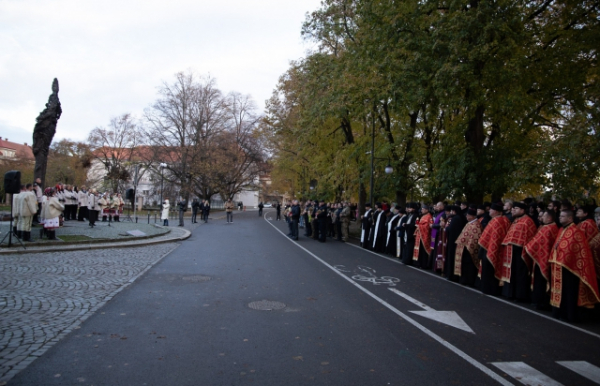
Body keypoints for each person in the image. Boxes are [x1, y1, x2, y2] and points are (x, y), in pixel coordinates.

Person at [549, 209, 600, 322]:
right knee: (562, 292)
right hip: (560, 267)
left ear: (570, 218)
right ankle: (559, 312)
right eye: (560, 216)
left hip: (571, 269)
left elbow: (572, 251)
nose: (560, 218)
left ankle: (569, 315)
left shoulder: (575, 231)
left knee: (569, 292)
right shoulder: (562, 229)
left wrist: (561, 260)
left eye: (562, 216)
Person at [500, 202, 537, 302]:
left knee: (519, 274)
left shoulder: (527, 221)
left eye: (515, 208)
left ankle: (519, 296)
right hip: (510, 251)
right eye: (512, 209)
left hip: (520, 253)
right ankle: (509, 293)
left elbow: (529, 237)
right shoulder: (516, 220)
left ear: (522, 210)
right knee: (511, 273)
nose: (513, 210)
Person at [524, 210, 559, 310]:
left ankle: (540, 302)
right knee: (539, 281)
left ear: (549, 218)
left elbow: (538, 242)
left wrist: (528, 247)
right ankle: (538, 301)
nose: (541, 218)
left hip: (542, 260)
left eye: (543, 216)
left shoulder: (549, 228)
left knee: (540, 282)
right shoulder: (551, 227)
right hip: (540, 258)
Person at [478, 203, 511, 296]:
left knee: (489, 269)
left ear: (495, 211)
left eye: (491, 210)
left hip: (491, 249)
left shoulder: (497, 220)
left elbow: (494, 237)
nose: (489, 211)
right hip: (497, 249)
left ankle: (488, 288)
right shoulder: (504, 219)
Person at [454, 208, 483, 287]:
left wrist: (469, 246)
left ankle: (469, 281)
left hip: (470, 249)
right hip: (464, 248)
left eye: (468, 215)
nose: (466, 216)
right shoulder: (469, 223)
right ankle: (463, 279)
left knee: (470, 266)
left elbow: (476, 238)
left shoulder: (476, 225)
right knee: (464, 265)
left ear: (472, 216)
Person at [444, 205, 466, 281]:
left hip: (453, 241)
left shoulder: (455, 218)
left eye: (452, 211)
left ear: (454, 211)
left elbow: (451, 229)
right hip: (457, 241)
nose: (451, 212)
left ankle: (451, 275)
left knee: (451, 258)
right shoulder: (461, 217)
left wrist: (446, 228)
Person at [577, 205, 600, 275]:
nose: (597, 219)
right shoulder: (580, 223)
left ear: (586, 213)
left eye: (580, 211)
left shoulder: (589, 223)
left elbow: (591, 239)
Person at [413, 204, 433, 269]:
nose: (422, 210)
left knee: (423, 251)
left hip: (424, 235)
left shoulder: (429, 216)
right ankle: (418, 263)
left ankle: (423, 264)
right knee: (419, 250)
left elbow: (428, 226)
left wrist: (419, 226)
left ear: (427, 210)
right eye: (421, 209)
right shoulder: (423, 216)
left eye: (423, 209)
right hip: (420, 235)